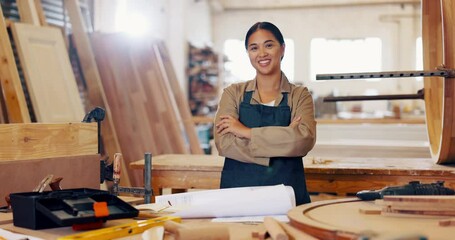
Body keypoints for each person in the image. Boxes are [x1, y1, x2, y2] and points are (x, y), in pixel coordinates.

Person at [214, 21, 317, 205]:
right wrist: (284, 141)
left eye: (269, 45)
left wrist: (246, 132)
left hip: (288, 196)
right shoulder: (233, 93)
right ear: (248, 54)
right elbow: (224, 143)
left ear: (282, 49)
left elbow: (303, 140)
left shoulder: (300, 95)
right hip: (238, 196)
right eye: (254, 48)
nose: (262, 53)